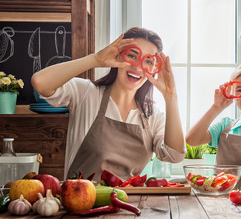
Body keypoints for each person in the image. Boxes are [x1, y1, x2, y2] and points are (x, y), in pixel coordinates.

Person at [32, 27, 186, 181]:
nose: (137, 67)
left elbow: (175, 155)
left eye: (147, 61)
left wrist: (170, 96)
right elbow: (40, 83)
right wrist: (95, 59)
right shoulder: (86, 93)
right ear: (118, 55)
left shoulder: (152, 115)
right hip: (80, 202)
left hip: (129, 203)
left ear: (154, 69)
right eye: (132, 55)